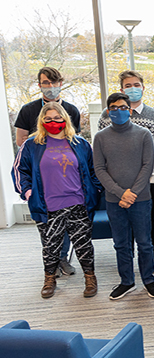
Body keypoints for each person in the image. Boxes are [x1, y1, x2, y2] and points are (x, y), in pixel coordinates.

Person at [12, 102, 101, 298]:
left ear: (65, 119)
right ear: (42, 121)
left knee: (83, 244)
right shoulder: (32, 145)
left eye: (58, 118)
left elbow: (94, 171)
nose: (54, 122)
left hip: (78, 204)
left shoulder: (80, 144)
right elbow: (19, 171)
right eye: (48, 119)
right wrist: (27, 192)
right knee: (50, 247)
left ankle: (90, 278)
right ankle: (49, 279)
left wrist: (97, 190)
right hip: (48, 206)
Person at [14, 67, 82, 275]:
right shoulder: (28, 110)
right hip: (41, 178)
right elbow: (20, 141)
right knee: (47, 223)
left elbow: (74, 143)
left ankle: (63, 258)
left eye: (54, 83)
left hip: (65, 177)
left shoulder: (72, 110)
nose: (50, 87)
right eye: (46, 83)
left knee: (68, 221)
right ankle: (51, 264)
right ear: (39, 85)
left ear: (61, 83)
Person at [93, 92, 154, 300]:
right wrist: (121, 193)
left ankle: (148, 279)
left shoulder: (143, 134)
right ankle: (127, 281)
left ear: (130, 110)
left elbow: (148, 166)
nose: (118, 111)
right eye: (113, 108)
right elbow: (99, 169)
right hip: (114, 200)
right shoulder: (100, 137)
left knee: (145, 242)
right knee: (121, 243)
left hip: (141, 199)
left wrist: (132, 193)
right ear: (108, 111)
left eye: (123, 107)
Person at [98, 70, 154, 271]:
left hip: (149, 180)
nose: (133, 89)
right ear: (121, 89)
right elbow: (102, 149)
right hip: (118, 182)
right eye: (128, 86)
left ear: (143, 88)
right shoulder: (107, 115)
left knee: (149, 221)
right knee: (124, 226)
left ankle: (153, 256)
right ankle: (129, 260)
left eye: (137, 85)